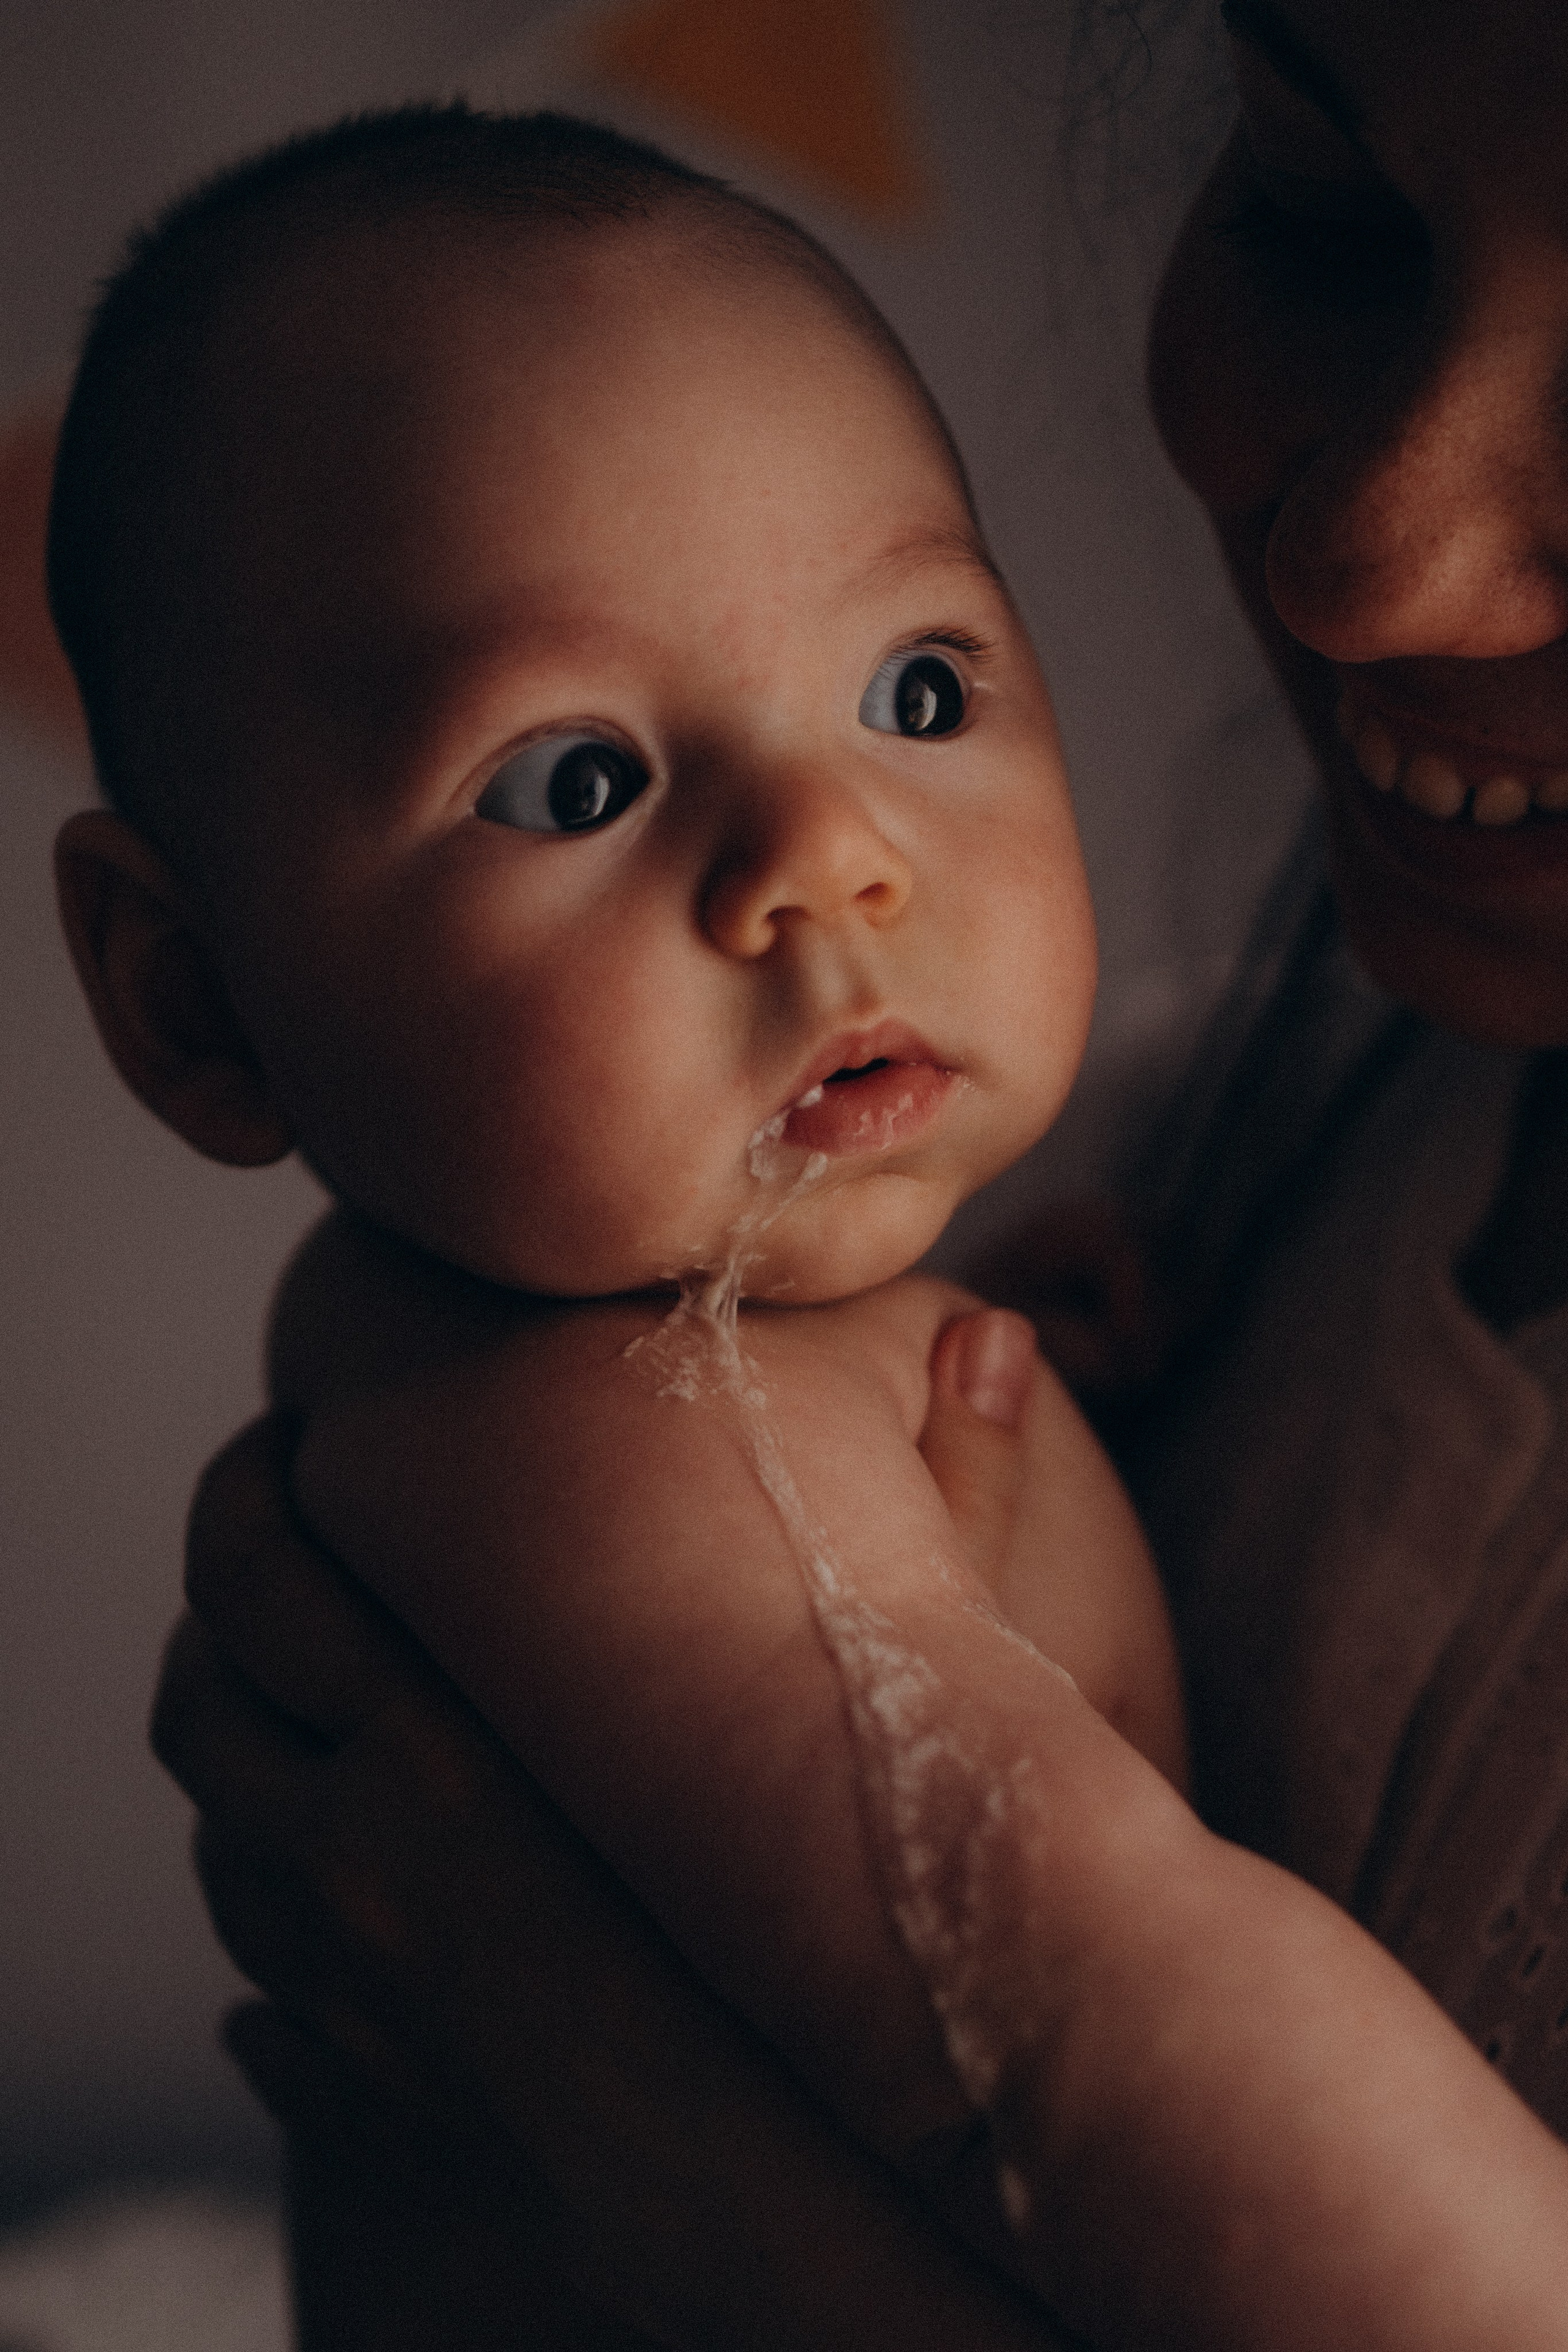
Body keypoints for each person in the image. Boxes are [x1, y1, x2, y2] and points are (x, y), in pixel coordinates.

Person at [145, 0, 1568, 2335]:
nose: (833, 858)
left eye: (922, 692)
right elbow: (1098, 2011)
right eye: (575, 783)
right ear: (190, 1001)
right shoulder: (612, 1443)